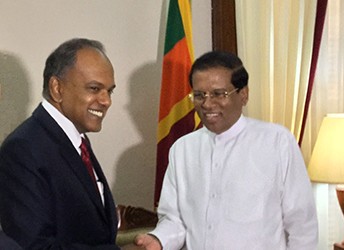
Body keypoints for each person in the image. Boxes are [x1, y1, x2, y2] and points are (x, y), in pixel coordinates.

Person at [135, 51, 318, 249]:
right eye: (199, 95)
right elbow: (174, 219)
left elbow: (302, 225)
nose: (207, 104)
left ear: (243, 94)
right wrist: (159, 239)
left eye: (218, 94)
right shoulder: (183, 149)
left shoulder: (277, 142)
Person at [0, 38, 137, 249]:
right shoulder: (23, 149)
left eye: (109, 91)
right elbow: (34, 246)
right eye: (94, 88)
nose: (106, 101)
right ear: (57, 88)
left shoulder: (75, 138)